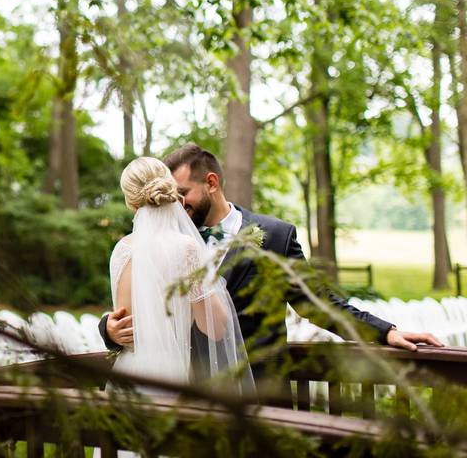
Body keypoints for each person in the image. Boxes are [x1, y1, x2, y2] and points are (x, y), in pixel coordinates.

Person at [100, 144, 444, 388]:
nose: (173, 201)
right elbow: (141, 313)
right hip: (190, 395)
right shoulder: (161, 246)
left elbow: (316, 302)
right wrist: (109, 331)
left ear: (211, 183)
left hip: (256, 393)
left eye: (182, 192)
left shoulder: (276, 235)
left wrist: (384, 331)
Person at [108, 156, 255, 395]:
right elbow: (216, 328)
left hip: (127, 376)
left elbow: (125, 326)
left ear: (131, 202)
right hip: (171, 378)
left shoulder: (122, 250)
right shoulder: (185, 248)